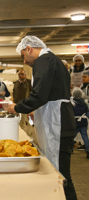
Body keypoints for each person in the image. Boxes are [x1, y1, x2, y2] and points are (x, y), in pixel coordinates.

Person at [8, 36, 77, 200]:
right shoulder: (54, 60)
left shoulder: (43, 61)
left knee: (60, 176)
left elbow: (39, 95)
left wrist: (16, 107)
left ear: (29, 49)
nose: (25, 61)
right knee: (60, 173)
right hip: (62, 119)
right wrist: (36, 110)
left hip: (58, 124)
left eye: (24, 56)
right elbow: (50, 94)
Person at [71, 87, 89, 158]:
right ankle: (88, 150)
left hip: (75, 122)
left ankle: (70, 149)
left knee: (72, 137)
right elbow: (87, 113)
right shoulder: (85, 103)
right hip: (83, 122)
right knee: (85, 137)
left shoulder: (72, 103)